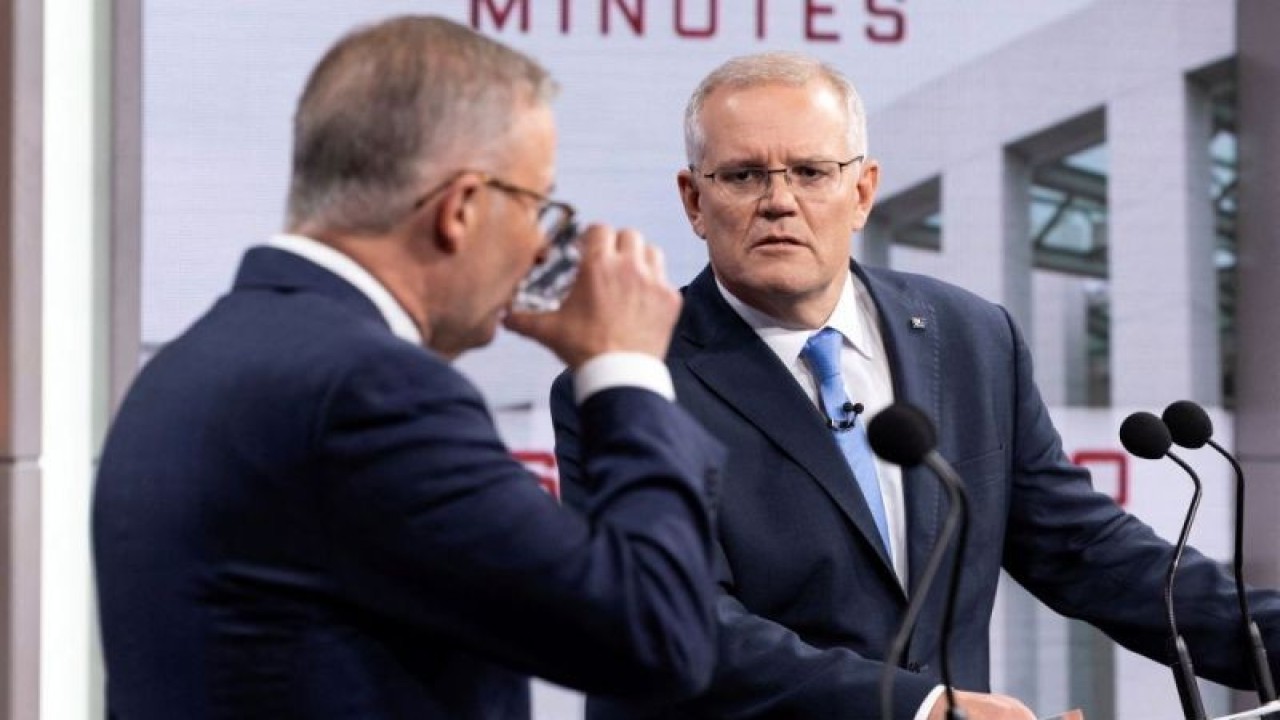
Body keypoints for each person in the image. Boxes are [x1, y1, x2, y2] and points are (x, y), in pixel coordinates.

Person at [550, 52, 1280, 720]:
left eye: (810, 171)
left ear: (862, 190)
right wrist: (922, 708)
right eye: (743, 175)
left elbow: (1085, 550)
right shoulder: (630, 374)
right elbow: (680, 620)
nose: (779, 200)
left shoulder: (970, 336)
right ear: (693, 201)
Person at [92, 16, 726, 720]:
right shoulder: (373, 392)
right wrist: (625, 367)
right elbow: (656, 637)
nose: (542, 251)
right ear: (460, 208)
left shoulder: (189, 363)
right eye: (537, 207)